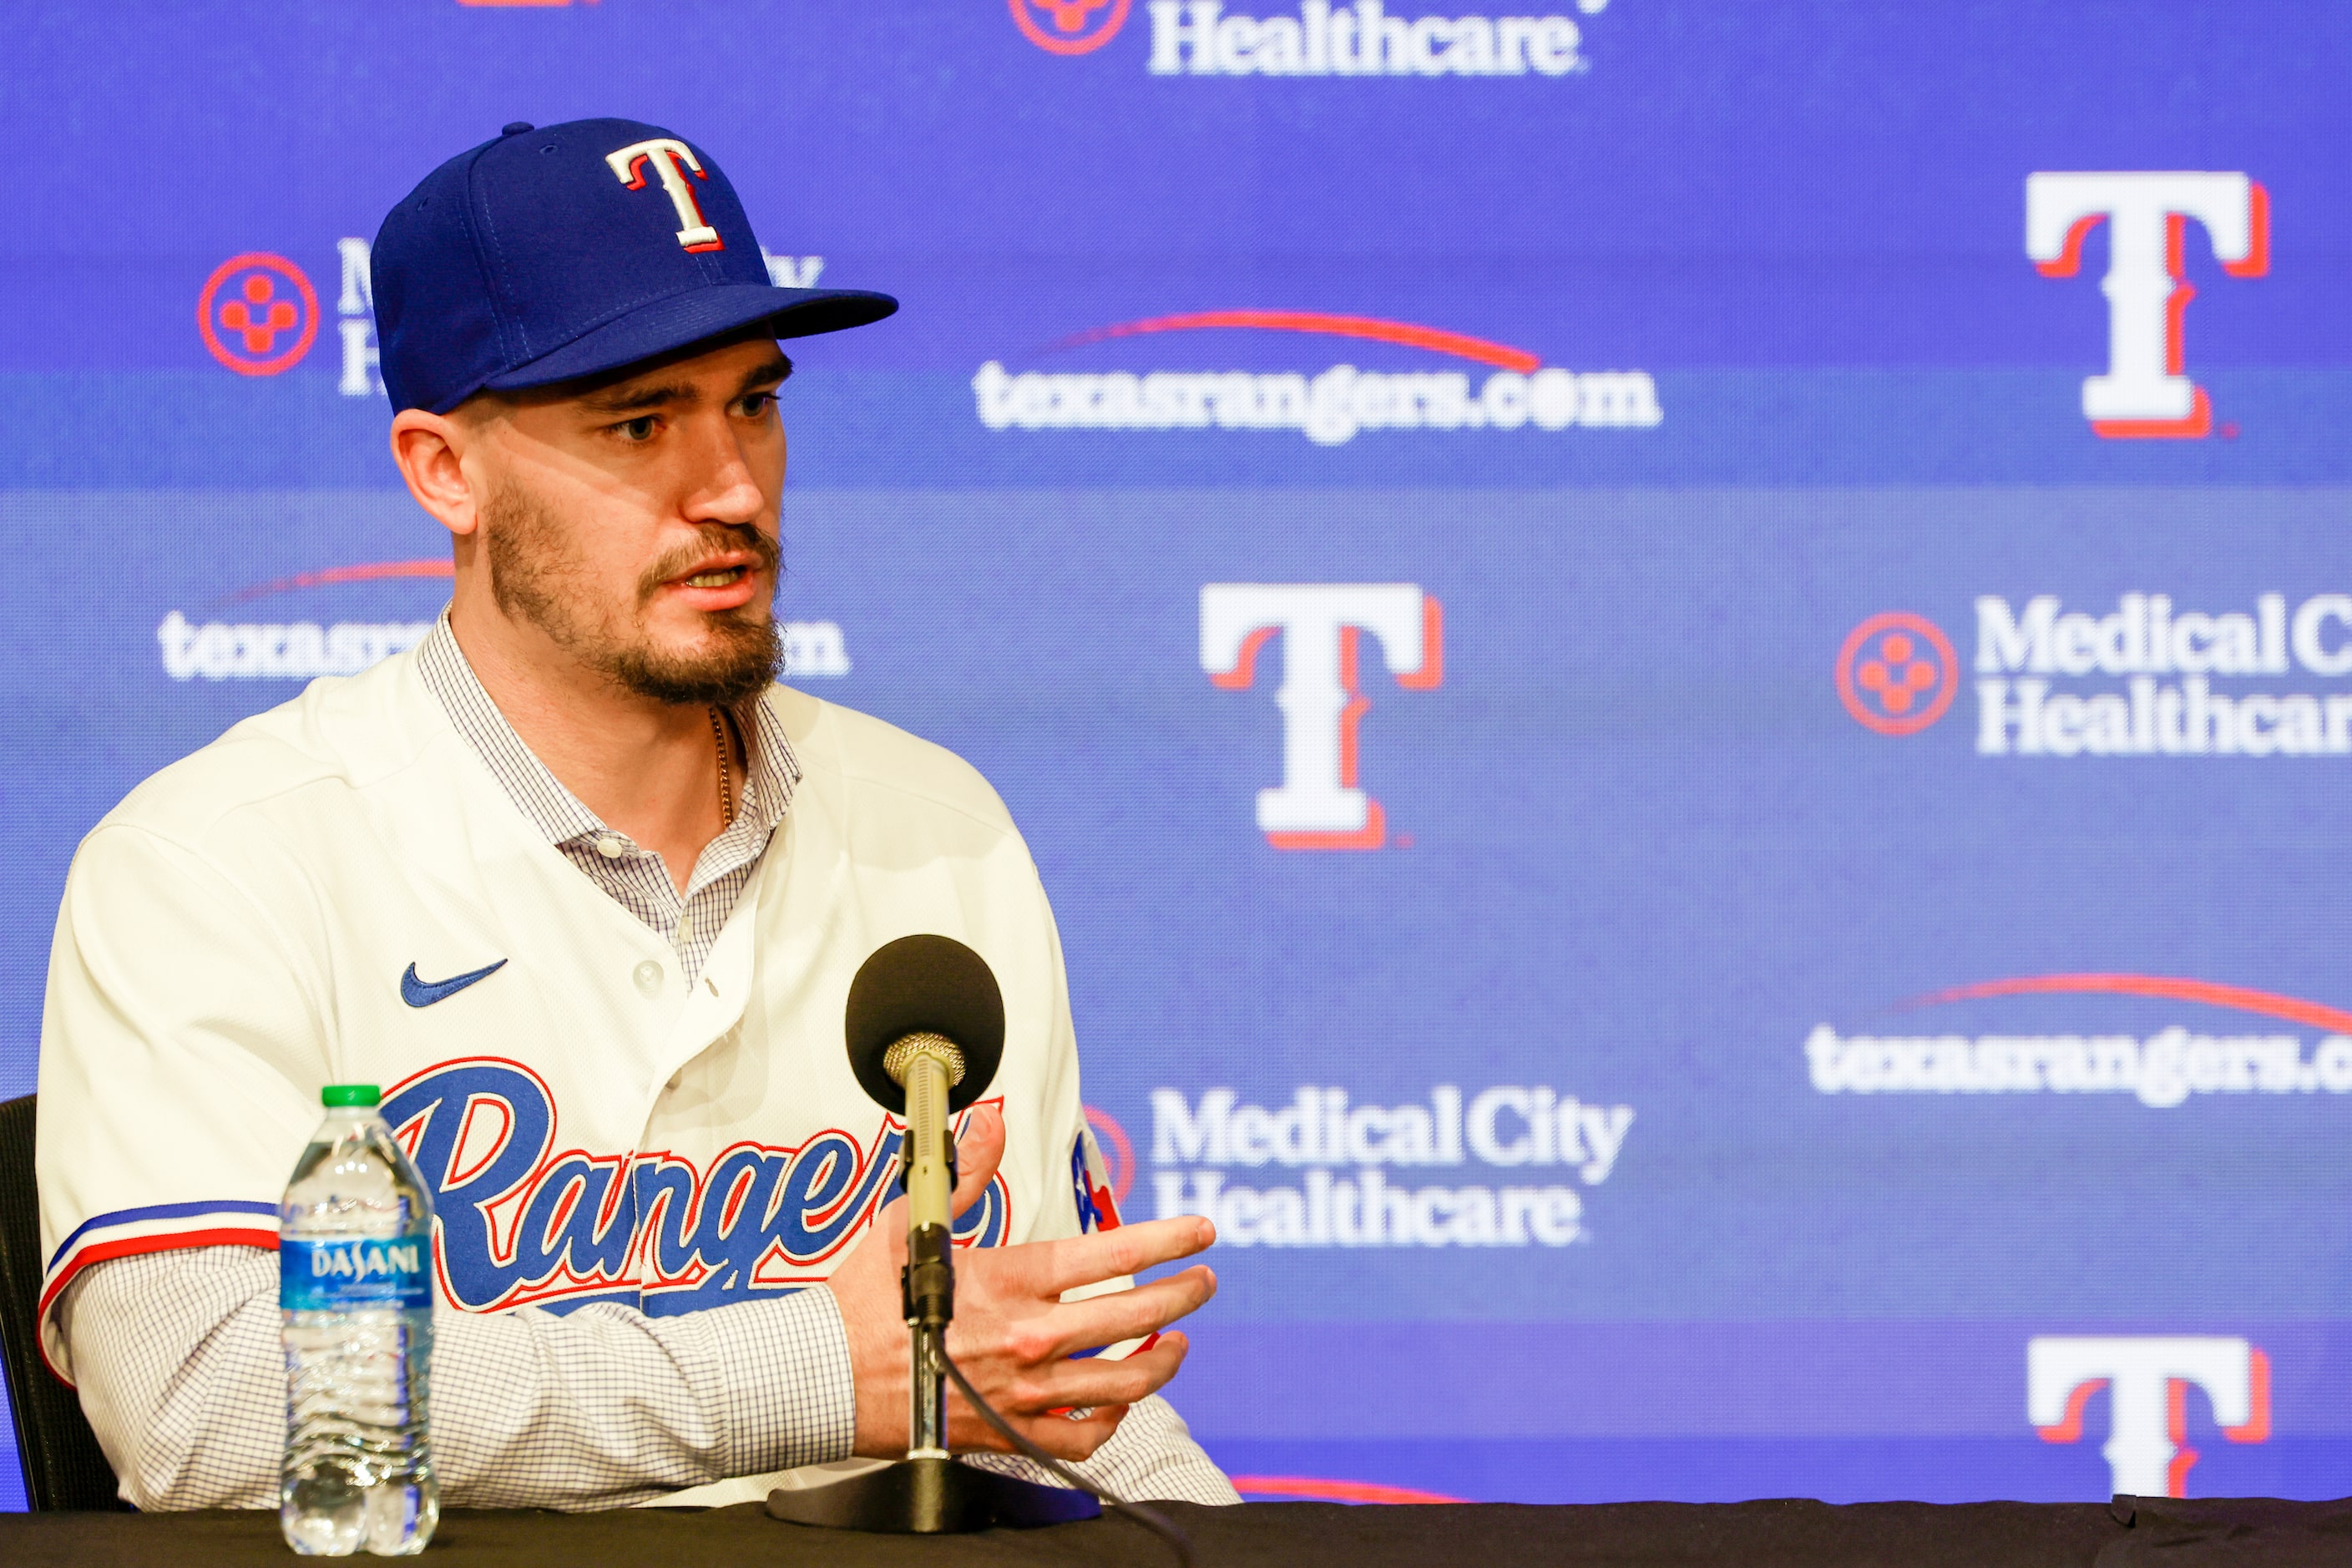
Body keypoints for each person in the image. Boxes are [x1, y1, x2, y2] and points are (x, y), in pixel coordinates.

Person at [34, 118, 1235, 1511]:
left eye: (753, 402)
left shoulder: (938, 827)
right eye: (639, 421)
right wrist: (804, 1368)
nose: (729, 486)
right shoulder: (219, 861)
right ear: (442, 469)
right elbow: (212, 1404)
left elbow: (1026, 1379)